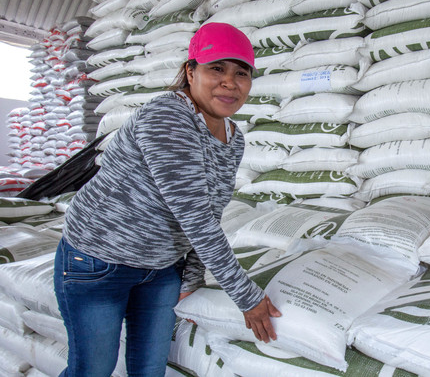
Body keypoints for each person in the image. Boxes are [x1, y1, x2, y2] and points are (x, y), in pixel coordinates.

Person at [53, 22, 281, 377]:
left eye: (241, 73)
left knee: (149, 369)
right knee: (92, 370)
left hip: (159, 269)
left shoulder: (233, 138)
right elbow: (195, 218)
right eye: (216, 68)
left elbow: (211, 208)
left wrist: (189, 276)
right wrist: (247, 297)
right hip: (98, 261)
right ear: (190, 72)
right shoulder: (168, 116)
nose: (229, 82)